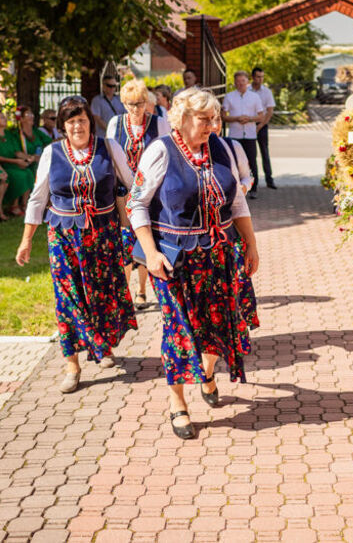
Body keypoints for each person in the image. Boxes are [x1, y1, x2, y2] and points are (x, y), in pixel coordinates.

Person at [128, 87, 260, 440]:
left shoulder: (222, 148)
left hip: (219, 254)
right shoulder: (161, 151)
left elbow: (236, 204)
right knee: (178, 331)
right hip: (174, 261)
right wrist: (150, 252)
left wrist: (251, 244)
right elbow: (136, 204)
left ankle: (207, 371)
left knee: (217, 323)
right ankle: (178, 403)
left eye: (214, 118)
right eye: (205, 119)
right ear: (183, 118)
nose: (212, 126)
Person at [16, 96, 137, 394]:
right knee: (68, 298)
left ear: (89, 122)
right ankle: (72, 365)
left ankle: (103, 346)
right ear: (63, 125)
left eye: (81, 120)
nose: (77, 126)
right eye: (71, 122)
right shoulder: (51, 153)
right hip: (64, 237)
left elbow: (133, 185)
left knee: (102, 293)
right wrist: (26, 240)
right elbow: (37, 198)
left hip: (103, 236)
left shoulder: (109, 148)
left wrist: (142, 226)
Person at [107, 79, 170, 307]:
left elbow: (167, 153)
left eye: (141, 103)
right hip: (124, 192)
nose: (136, 108)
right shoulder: (115, 123)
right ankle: (124, 295)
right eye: (131, 104)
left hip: (151, 193)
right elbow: (111, 156)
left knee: (145, 240)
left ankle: (142, 291)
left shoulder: (159, 123)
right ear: (124, 104)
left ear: (147, 103)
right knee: (124, 243)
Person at [0, 106, 51, 216]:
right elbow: (17, 152)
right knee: (29, 171)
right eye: (28, 115)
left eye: (32, 114)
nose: (32, 117)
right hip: (26, 162)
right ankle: (23, 204)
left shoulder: (36, 131)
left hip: (37, 162)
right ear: (21, 119)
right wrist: (29, 157)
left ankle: (39, 203)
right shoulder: (16, 134)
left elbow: (49, 142)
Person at [221, 70, 264, 199]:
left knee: (252, 161)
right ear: (234, 83)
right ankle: (235, 187)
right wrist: (236, 119)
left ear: (247, 82)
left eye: (243, 81)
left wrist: (249, 119)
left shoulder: (255, 97)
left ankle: (253, 188)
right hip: (235, 134)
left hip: (250, 135)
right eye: (238, 81)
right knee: (233, 161)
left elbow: (261, 116)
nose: (240, 84)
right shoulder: (229, 96)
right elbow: (223, 116)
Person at [250, 67, 277, 190]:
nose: (260, 79)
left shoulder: (266, 92)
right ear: (253, 77)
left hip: (262, 125)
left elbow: (269, 112)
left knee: (264, 152)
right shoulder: (247, 91)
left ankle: (269, 179)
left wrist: (260, 126)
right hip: (249, 125)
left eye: (262, 77)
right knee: (250, 154)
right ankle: (251, 181)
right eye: (258, 77)